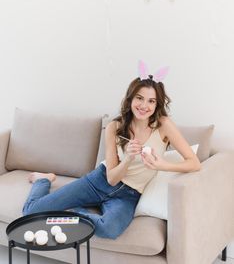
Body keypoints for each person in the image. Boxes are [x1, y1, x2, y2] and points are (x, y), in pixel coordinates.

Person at [22, 75, 201, 239]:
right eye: (139, 98)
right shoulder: (114, 127)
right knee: (31, 212)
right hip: (98, 182)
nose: (144, 106)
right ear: (130, 98)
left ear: (156, 105)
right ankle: (44, 180)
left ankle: (77, 210)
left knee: (109, 229)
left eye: (151, 101)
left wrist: (161, 165)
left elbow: (194, 163)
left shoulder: (163, 125)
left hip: (128, 196)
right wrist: (128, 159)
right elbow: (112, 178)